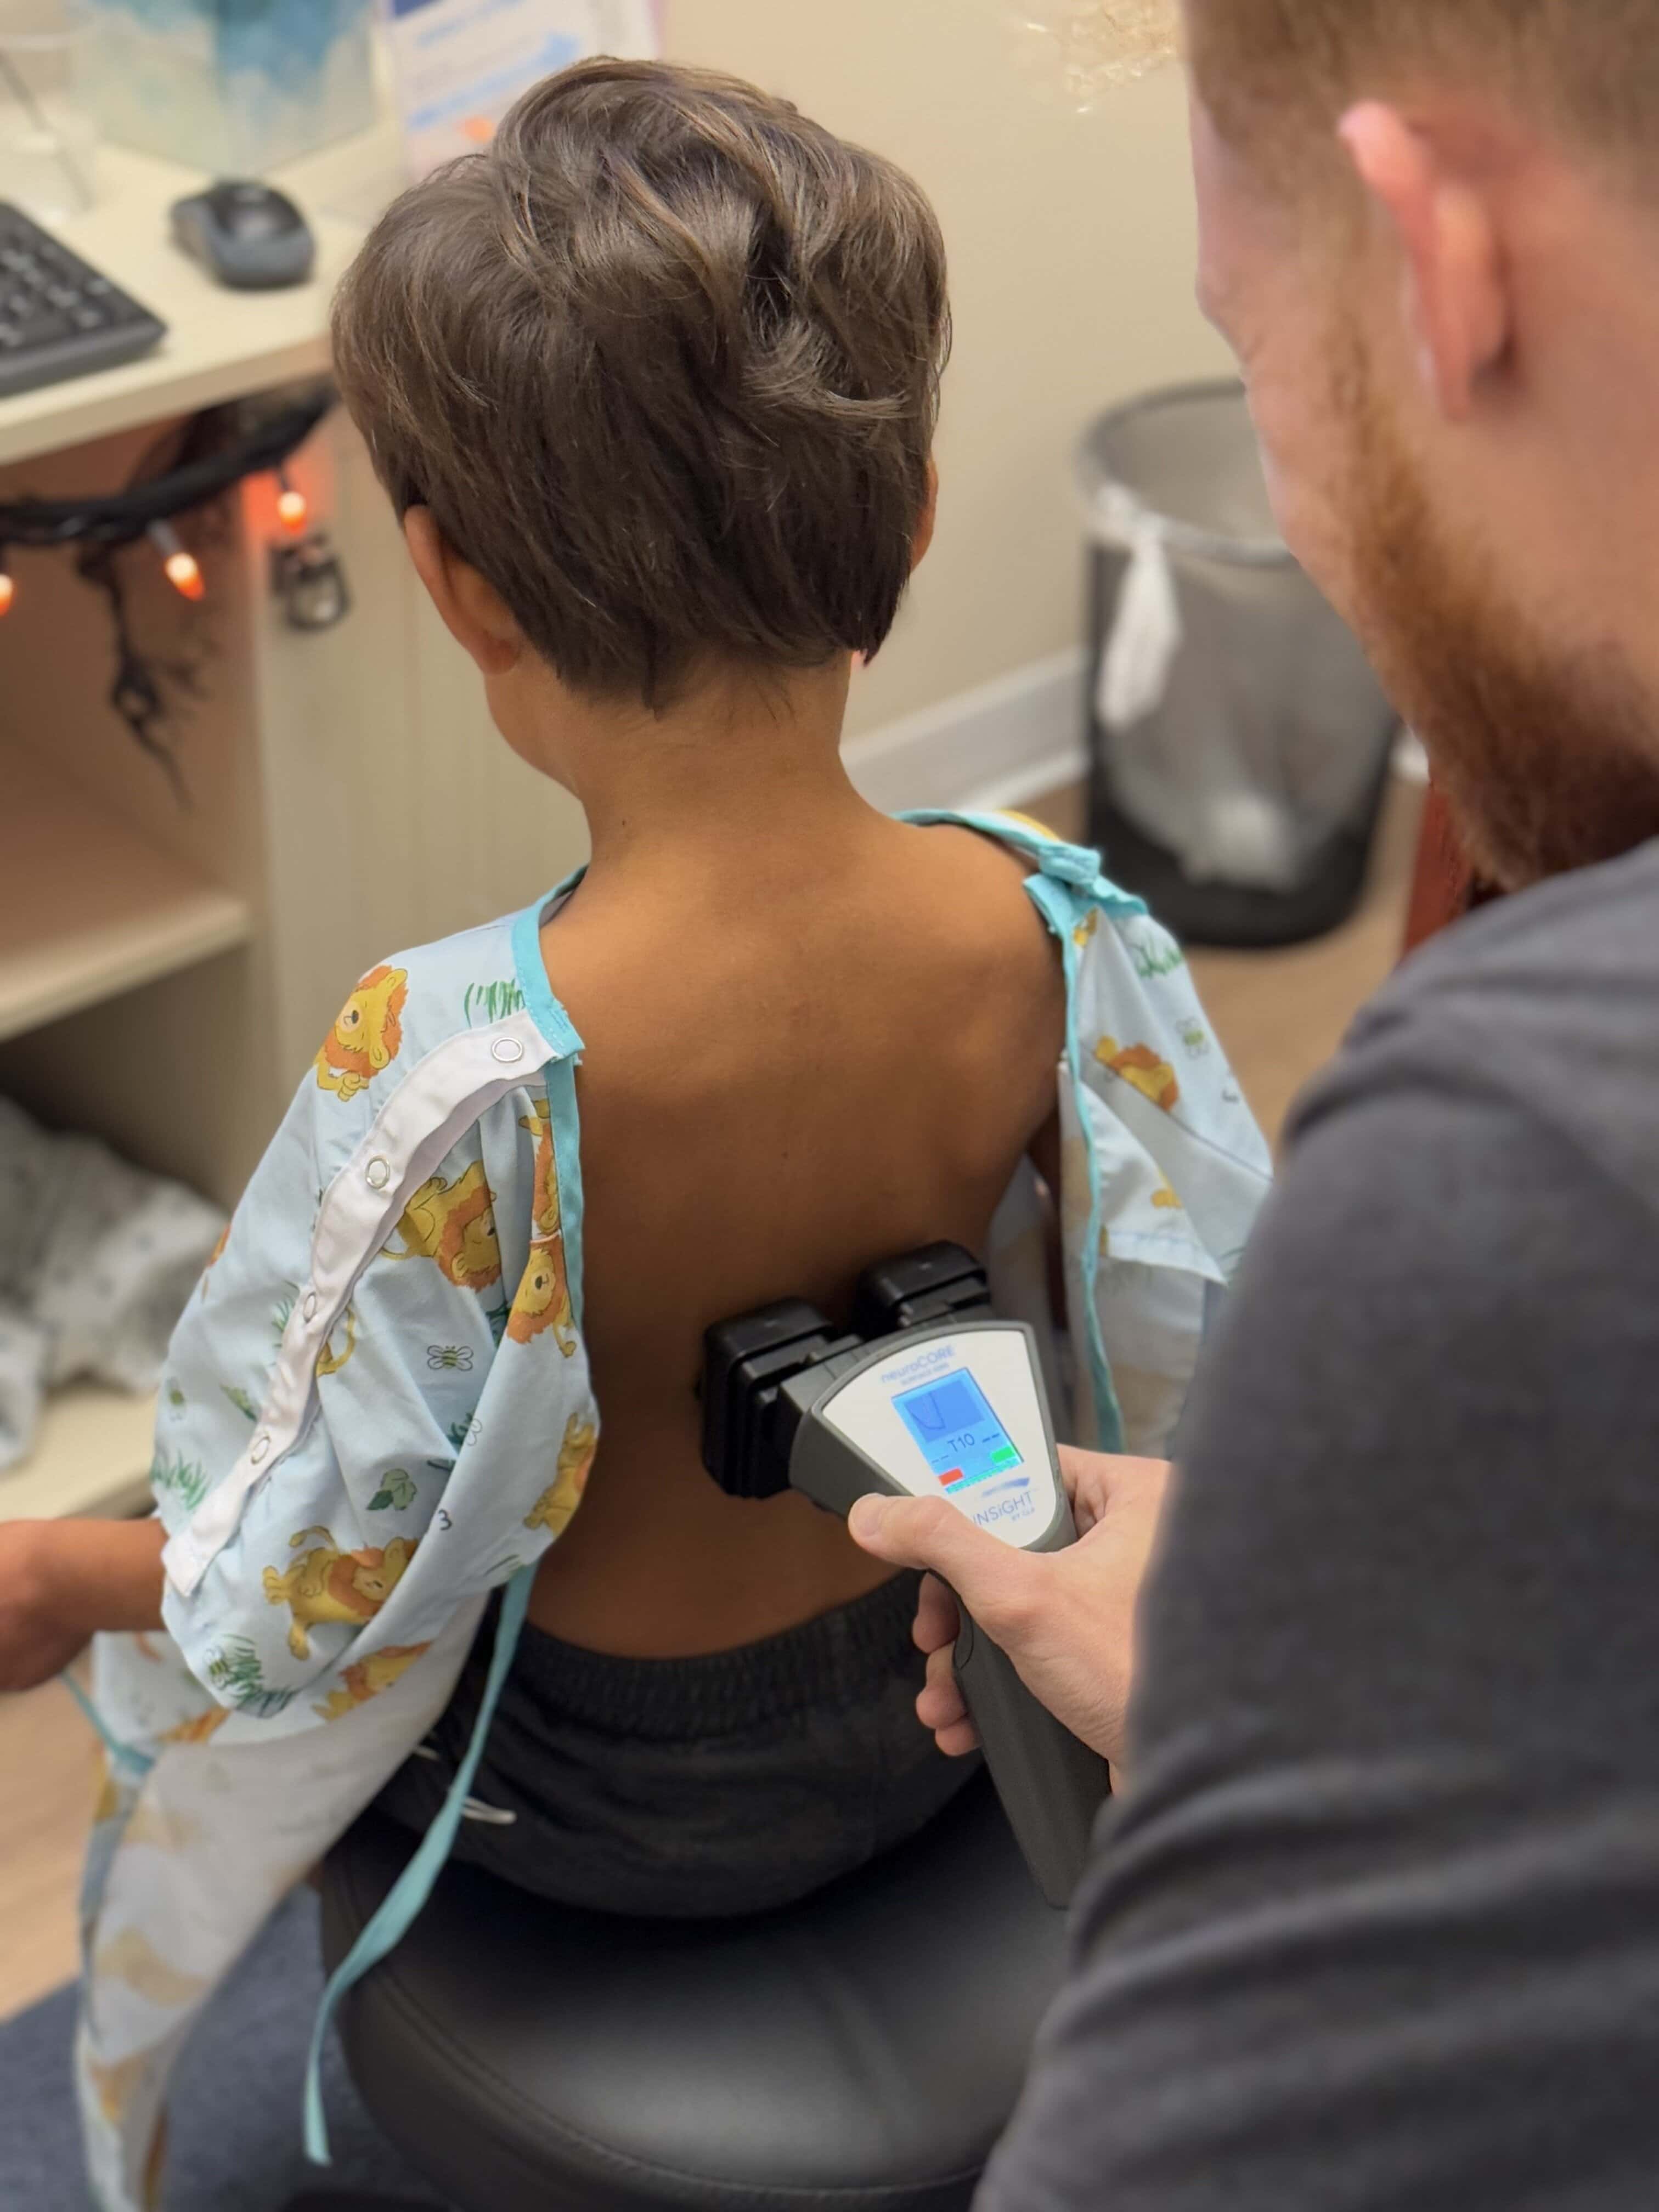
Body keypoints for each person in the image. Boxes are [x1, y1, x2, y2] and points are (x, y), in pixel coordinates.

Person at [0, 60, 1268, 2210]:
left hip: (607, 1821)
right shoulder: (1054, 933)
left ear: (454, 582)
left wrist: (57, 1575)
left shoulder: (458, 1066)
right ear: (914, 515)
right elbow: (1206, 1315)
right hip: (951, 1701)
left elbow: (302, 1590)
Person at [851, 2, 1659, 2203]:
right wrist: (1308, 1667)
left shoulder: (1528, 1148)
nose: (1293, 509)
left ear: (1433, 260)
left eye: (1250, 341)